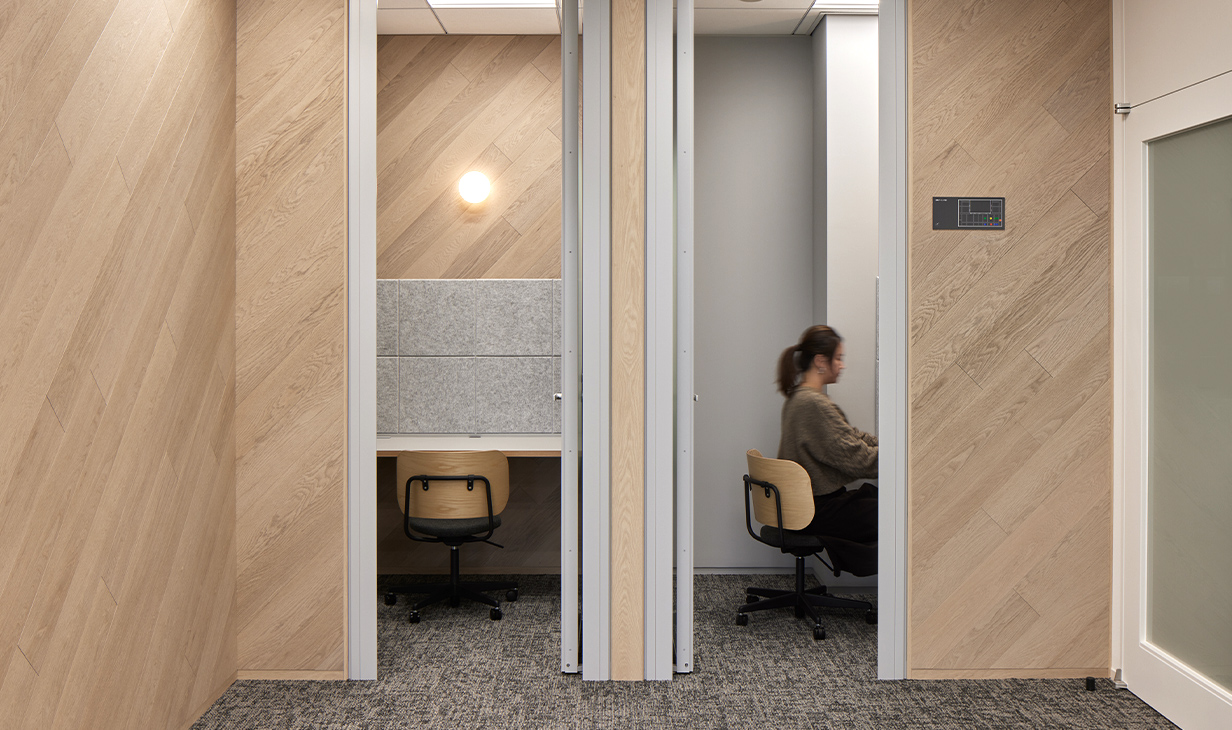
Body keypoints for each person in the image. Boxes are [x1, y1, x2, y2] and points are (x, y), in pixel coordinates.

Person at [776, 325, 878, 542]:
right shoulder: (813, 404)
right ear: (821, 361)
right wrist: (899, 456)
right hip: (813, 510)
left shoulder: (798, 398)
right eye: (839, 358)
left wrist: (886, 445)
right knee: (889, 510)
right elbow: (858, 460)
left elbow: (850, 435)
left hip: (803, 505)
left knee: (872, 496)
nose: (842, 365)